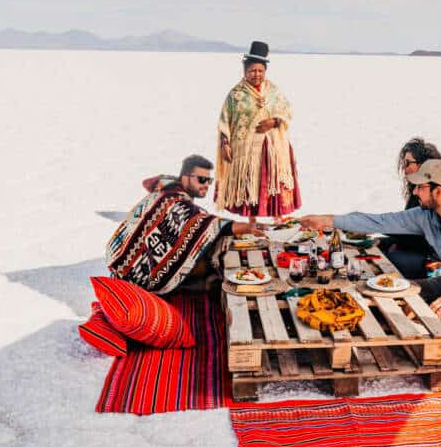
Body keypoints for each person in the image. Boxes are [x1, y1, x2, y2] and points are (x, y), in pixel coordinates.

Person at [300, 159, 441, 334]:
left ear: (438, 190)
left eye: (420, 187)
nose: (415, 192)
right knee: (393, 292)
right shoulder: (425, 215)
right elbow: (380, 221)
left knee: (429, 322)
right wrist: (329, 220)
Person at [106, 155, 260, 294]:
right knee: (203, 259)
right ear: (185, 178)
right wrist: (248, 227)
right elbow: (202, 221)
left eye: (209, 180)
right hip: (133, 275)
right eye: (201, 179)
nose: (206, 185)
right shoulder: (175, 201)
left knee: (196, 249)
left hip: (122, 261)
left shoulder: (169, 187)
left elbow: (149, 183)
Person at [215, 40, 301, 217]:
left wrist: (274, 122)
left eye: (260, 71)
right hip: (246, 149)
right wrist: (225, 144)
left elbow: (286, 110)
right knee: (249, 182)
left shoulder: (274, 90)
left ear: (265, 71)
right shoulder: (235, 94)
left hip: (273, 147)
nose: (256, 74)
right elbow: (225, 120)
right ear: (245, 71)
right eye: (252, 71)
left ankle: (279, 219)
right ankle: (251, 223)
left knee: (275, 182)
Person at [382, 137, 441, 278]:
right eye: (403, 162)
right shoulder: (416, 189)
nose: (404, 166)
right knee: (376, 246)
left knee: (388, 258)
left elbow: (414, 232)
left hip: (431, 260)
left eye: (408, 163)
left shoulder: (433, 191)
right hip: (416, 247)